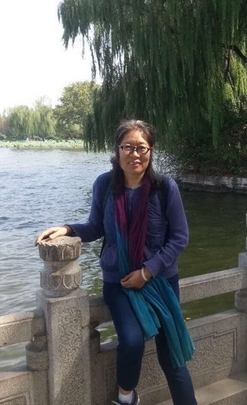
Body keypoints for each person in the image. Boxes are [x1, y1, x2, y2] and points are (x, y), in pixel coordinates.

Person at [35, 120, 197, 405]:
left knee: (171, 354)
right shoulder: (105, 185)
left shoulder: (164, 188)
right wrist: (68, 229)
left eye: (141, 148)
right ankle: (126, 397)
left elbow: (179, 238)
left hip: (160, 280)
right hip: (119, 281)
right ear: (117, 150)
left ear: (151, 151)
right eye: (128, 147)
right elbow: (96, 226)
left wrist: (147, 272)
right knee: (131, 341)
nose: (135, 154)